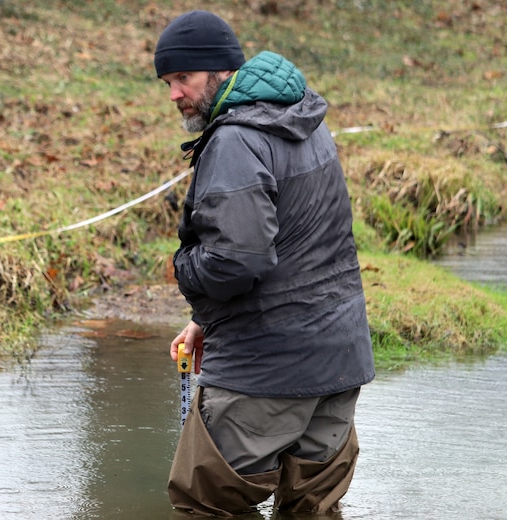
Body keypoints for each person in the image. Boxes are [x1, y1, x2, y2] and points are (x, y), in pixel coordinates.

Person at [154, 10, 376, 517]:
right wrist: (203, 320)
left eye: (182, 78)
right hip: (339, 363)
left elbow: (237, 260)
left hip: (265, 370)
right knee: (312, 509)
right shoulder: (302, 119)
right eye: (167, 82)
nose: (173, 94)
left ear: (219, 70)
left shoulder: (234, 139)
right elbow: (299, 247)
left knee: (208, 503)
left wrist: (183, 267)